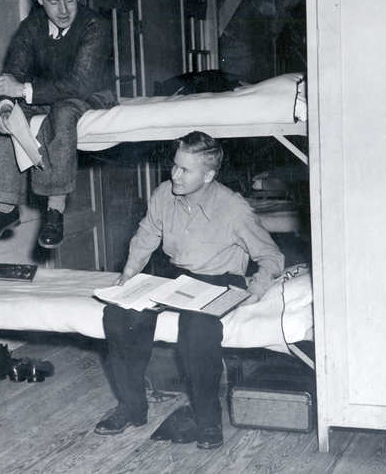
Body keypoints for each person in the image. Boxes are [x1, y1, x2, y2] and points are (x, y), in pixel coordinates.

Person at [94, 131, 284, 449]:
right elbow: (147, 235)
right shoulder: (163, 195)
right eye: (174, 166)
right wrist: (129, 273)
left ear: (208, 175)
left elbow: (271, 256)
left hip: (219, 279)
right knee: (119, 316)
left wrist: (258, 286)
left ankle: (208, 421)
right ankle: (131, 407)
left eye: (185, 170)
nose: (174, 175)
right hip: (175, 276)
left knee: (197, 331)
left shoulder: (233, 208)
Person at [0, 0, 115, 250]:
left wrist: (22, 89)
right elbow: (11, 75)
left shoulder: (94, 25)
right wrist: (6, 107)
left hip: (89, 94)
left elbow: (80, 85)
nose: (63, 11)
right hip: (43, 95)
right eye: (53, 2)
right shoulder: (30, 27)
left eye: (70, 0)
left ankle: (55, 209)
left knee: (62, 114)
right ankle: (5, 208)